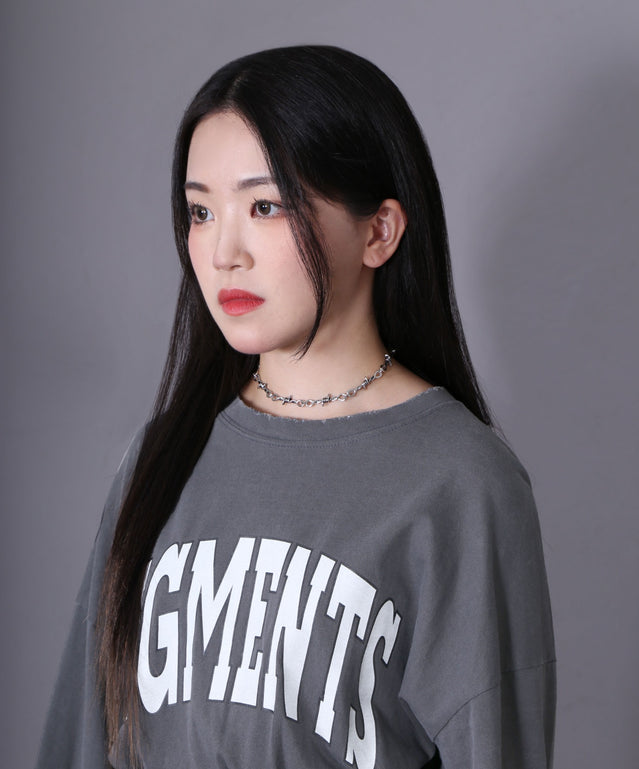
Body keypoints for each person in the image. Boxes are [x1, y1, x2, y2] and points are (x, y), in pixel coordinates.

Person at [36, 45, 555, 769]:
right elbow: (81, 744)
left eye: (265, 206)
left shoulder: (461, 484)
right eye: (200, 211)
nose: (223, 251)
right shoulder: (159, 458)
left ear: (378, 231)